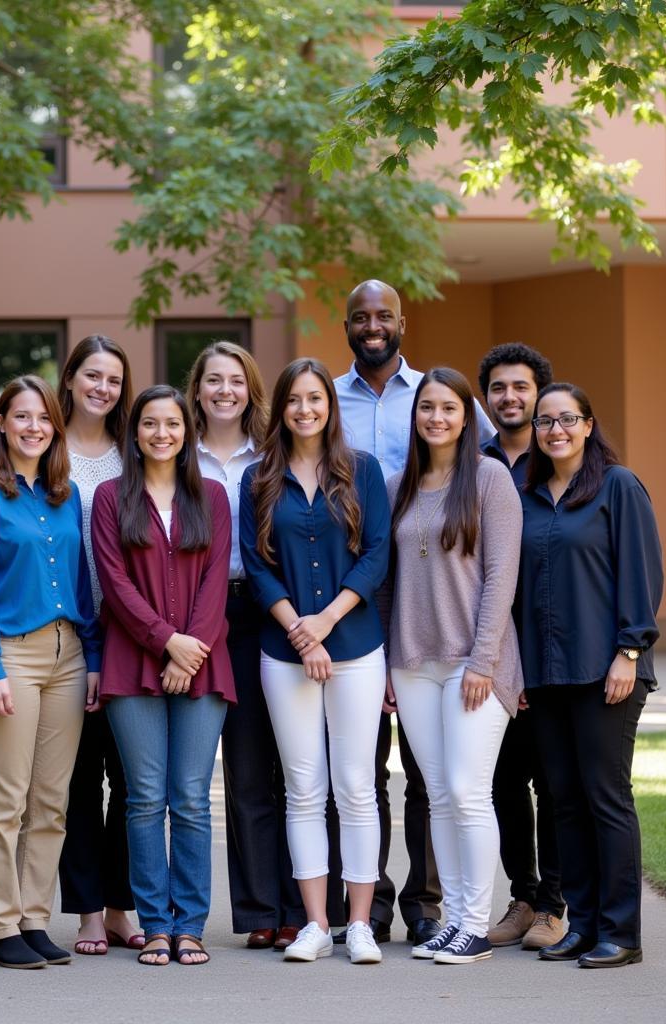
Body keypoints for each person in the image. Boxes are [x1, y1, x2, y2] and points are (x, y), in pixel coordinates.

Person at [334, 279, 495, 947]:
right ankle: (365, 904)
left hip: (447, 593)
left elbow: (487, 484)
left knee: (442, 784)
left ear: (402, 322)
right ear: (348, 324)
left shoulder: (442, 393)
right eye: (362, 317)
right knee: (362, 767)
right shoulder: (329, 398)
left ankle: (433, 907)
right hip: (360, 597)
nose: (373, 327)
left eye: (384, 316)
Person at [240, 358, 391, 966]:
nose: (305, 409)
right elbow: (255, 564)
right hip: (283, 652)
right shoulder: (259, 478)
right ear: (280, 409)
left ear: (330, 405)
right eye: (293, 400)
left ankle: (359, 926)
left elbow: (378, 552)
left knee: (355, 787)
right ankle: (315, 925)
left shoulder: (365, 472)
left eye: (315, 398)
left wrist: (326, 623)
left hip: (355, 647)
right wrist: (300, 634)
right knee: (303, 789)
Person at [0, 375, 102, 969]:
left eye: (43, 418)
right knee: (4, 799)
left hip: (69, 657)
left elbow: (81, 582)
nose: (34, 427)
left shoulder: (66, 497)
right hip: (8, 655)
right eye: (22, 417)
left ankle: (34, 918)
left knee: (51, 800)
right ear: (2, 424)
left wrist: (89, 655)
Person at [517, 383, 663, 969]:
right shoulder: (526, 497)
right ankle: (580, 925)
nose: (555, 430)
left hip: (608, 671)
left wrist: (629, 652)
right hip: (546, 674)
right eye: (544, 421)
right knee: (564, 800)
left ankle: (621, 930)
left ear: (587, 424)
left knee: (606, 797)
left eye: (566, 419)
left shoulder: (618, 486)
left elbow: (642, 572)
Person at [91, 386, 234, 966]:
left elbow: (217, 581)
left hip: (202, 663)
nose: (161, 433)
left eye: (172, 423)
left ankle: (191, 924)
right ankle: (155, 924)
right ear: (136, 432)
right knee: (145, 799)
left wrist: (188, 650)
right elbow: (115, 583)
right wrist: (165, 642)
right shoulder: (109, 497)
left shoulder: (214, 498)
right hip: (132, 663)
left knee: (192, 799)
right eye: (150, 423)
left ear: (186, 431)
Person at [385, 367, 524, 965]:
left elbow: (501, 576)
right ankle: (450, 920)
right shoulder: (399, 485)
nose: (436, 417)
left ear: (467, 418)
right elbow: (389, 583)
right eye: (426, 408)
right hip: (414, 664)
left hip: (477, 663)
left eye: (449, 408)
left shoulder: (490, 478)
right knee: (439, 793)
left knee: (469, 791)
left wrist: (483, 659)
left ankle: (474, 922)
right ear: (414, 417)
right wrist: (391, 663)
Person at [189, 341, 311, 952]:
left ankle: (301, 905)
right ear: (199, 388)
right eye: (214, 380)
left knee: (286, 764)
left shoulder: (272, 455)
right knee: (242, 770)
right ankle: (260, 908)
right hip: (201, 618)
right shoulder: (177, 452)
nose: (225, 391)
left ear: (251, 388)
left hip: (267, 610)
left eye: (235, 380)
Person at [54, 335, 143, 957]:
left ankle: (122, 905)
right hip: (62, 632)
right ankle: (88, 910)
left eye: (113, 379)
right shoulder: (43, 444)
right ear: (71, 377)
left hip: (128, 631)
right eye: (92, 375)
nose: (102, 388)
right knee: (80, 780)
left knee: (136, 778)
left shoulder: (134, 453)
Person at [477, 343, 566, 951]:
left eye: (521, 388)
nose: (510, 397)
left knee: (551, 782)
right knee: (502, 783)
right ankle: (524, 895)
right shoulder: (473, 463)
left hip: (549, 654)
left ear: (539, 397)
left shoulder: (560, 462)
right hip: (488, 654)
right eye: (499, 388)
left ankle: (555, 905)